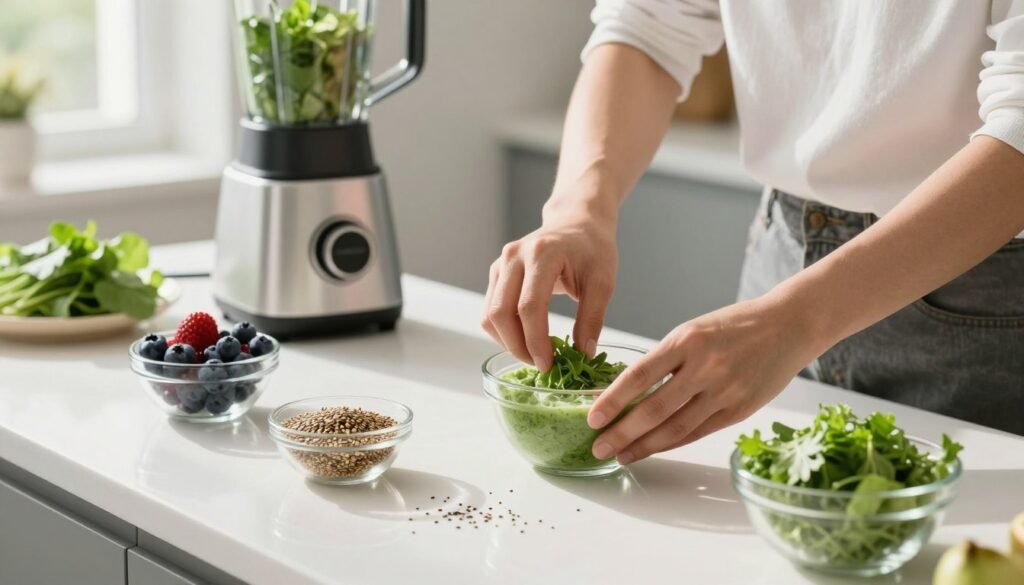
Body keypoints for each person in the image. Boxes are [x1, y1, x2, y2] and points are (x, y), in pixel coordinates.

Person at [481, 0, 1024, 465]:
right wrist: (578, 207)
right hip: (780, 255)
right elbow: (647, 24)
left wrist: (797, 319)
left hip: (983, 296)